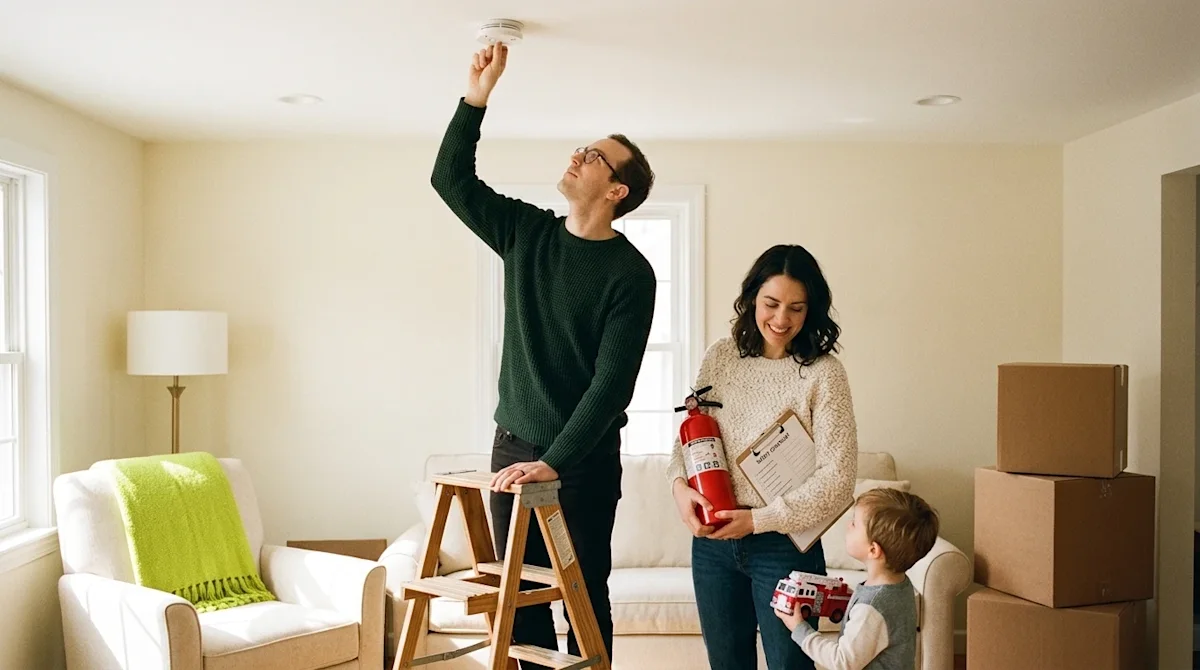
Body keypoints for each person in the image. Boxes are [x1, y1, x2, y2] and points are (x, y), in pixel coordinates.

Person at [430, 42, 657, 668]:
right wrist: (476, 98)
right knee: (522, 596)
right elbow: (449, 180)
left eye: (595, 157)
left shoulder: (631, 274)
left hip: (581, 462)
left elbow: (611, 386)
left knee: (582, 596)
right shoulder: (526, 233)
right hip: (512, 447)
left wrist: (554, 462)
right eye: (582, 148)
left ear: (616, 190)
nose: (577, 156)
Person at [667, 243, 859, 670]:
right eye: (771, 304)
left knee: (791, 665)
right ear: (752, 298)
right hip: (713, 544)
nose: (781, 319)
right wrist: (679, 486)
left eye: (796, 308)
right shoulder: (721, 357)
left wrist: (757, 520)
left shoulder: (824, 374)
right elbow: (690, 437)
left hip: (784, 547)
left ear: (812, 310)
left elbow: (838, 480)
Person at [775, 488, 939, 670]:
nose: (848, 526)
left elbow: (841, 661)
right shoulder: (900, 584)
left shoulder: (871, 608)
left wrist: (799, 628)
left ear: (873, 550)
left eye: (854, 523)